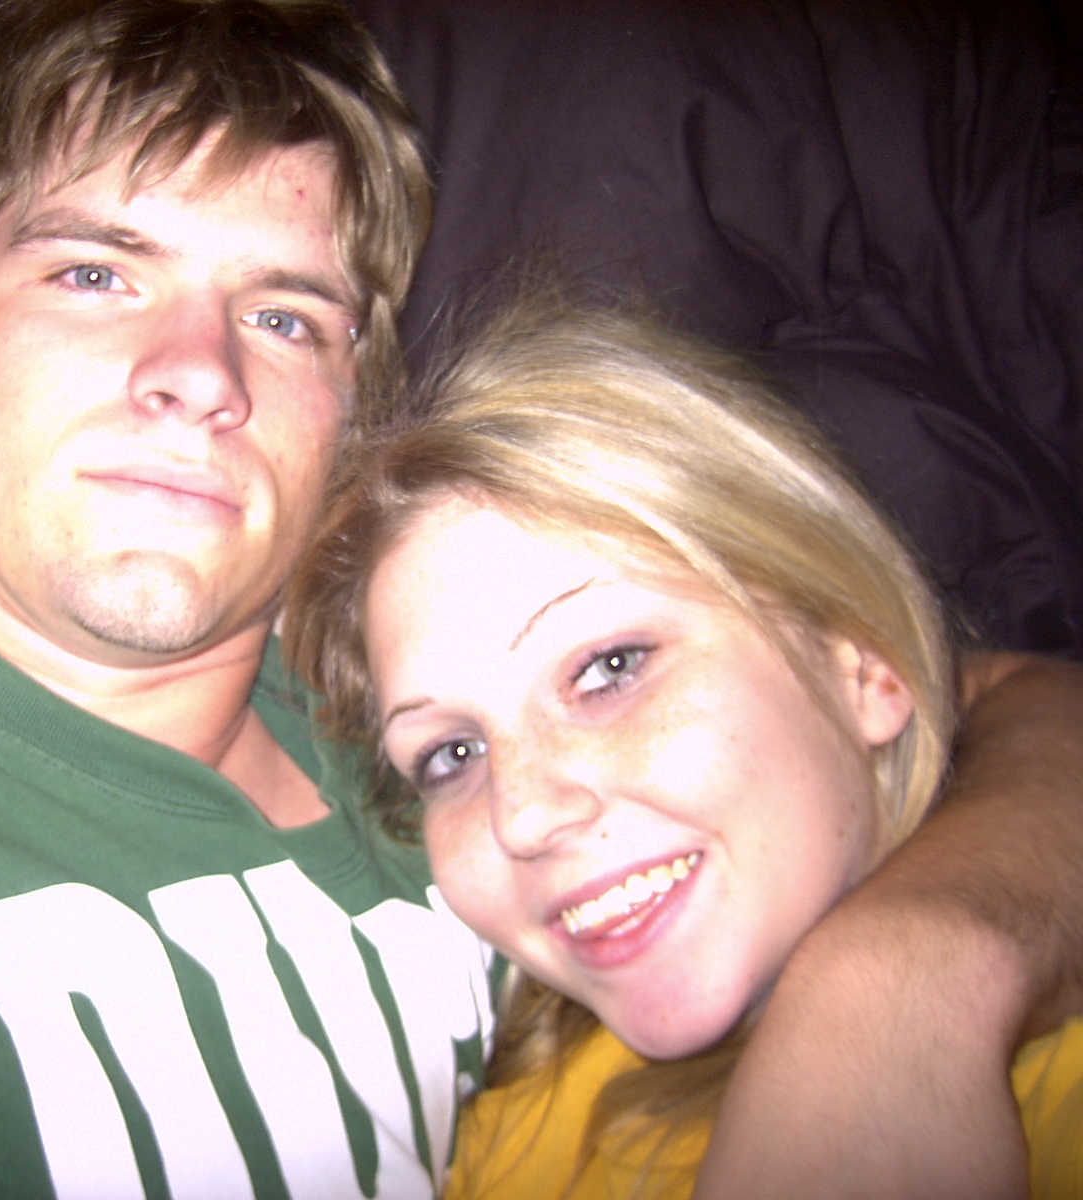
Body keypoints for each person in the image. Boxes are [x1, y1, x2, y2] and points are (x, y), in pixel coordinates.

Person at [0, 1, 1078, 1197]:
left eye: (287, 315)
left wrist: (899, 990)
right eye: (95, 272)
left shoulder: (459, 737)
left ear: (350, 413)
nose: (199, 374)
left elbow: (965, 692)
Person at [284, 294, 1083, 1198]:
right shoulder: (518, 1118)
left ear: (863, 664)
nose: (525, 815)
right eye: (452, 755)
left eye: (611, 667)